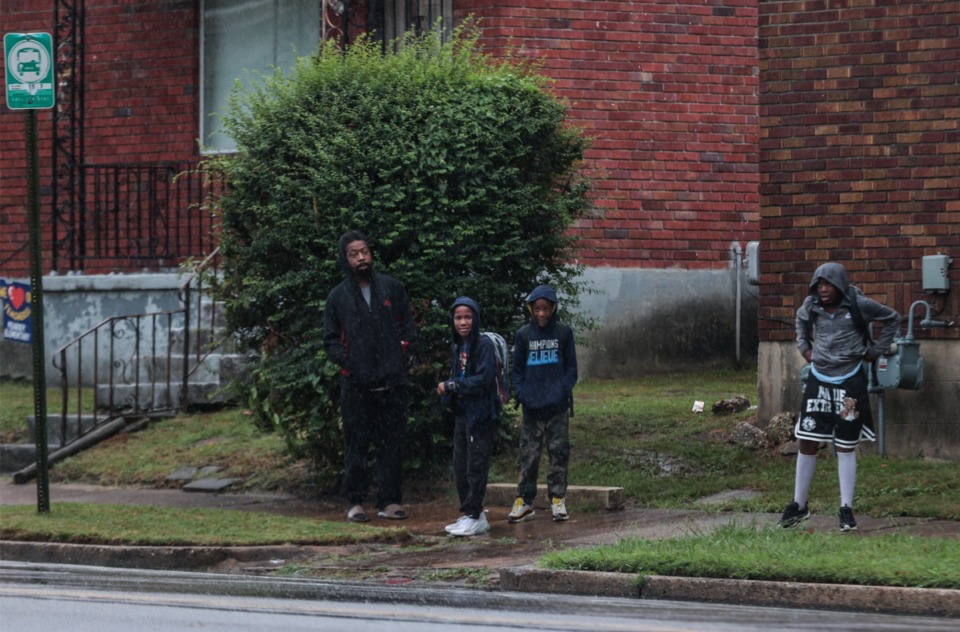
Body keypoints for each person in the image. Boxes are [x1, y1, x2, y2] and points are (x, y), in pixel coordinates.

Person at [779, 262, 900, 532]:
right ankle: (799, 506)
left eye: (829, 284)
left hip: (850, 380)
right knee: (807, 441)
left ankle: (846, 508)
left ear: (840, 285)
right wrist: (805, 350)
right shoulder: (811, 306)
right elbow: (800, 322)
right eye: (819, 284)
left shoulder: (858, 304)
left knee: (846, 444)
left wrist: (876, 350)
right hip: (819, 379)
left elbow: (892, 318)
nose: (823, 289)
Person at [323, 230, 417, 523]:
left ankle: (389, 500)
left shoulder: (392, 288)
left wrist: (402, 356)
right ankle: (355, 502)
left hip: (391, 381)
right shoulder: (337, 297)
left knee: (391, 443)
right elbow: (330, 340)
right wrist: (349, 362)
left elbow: (409, 329)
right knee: (357, 443)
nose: (361, 258)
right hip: (356, 384)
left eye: (364, 251)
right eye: (354, 253)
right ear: (345, 258)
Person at [508, 285, 578, 523]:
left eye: (546, 309)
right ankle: (524, 501)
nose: (541, 314)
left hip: (557, 408)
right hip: (531, 408)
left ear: (553, 309)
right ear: (531, 309)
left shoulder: (564, 333)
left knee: (558, 453)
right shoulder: (523, 335)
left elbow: (571, 369)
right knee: (529, 456)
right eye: (537, 309)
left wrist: (562, 391)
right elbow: (516, 371)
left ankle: (557, 500)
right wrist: (523, 393)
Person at [437, 297, 501, 537]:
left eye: (468, 317)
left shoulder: (483, 345)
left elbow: (483, 380)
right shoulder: (457, 346)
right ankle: (469, 512)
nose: (463, 322)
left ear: (475, 318)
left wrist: (452, 385)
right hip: (463, 414)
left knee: (476, 465)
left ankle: (476, 515)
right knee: (460, 464)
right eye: (458, 317)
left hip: (481, 414)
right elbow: (457, 373)